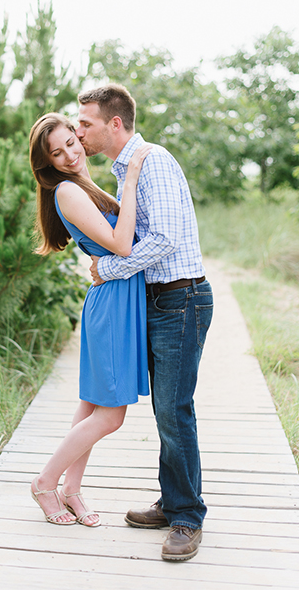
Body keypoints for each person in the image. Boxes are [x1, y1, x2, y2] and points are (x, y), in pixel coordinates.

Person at [76, 83, 213, 561]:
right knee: (166, 410)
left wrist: (107, 270)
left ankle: (186, 518)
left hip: (181, 300)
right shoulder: (124, 170)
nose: (79, 130)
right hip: (156, 302)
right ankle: (173, 499)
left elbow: (166, 238)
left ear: (115, 123)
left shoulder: (151, 160)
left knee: (175, 411)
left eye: (86, 123)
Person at [28, 113, 151, 529]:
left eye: (70, 143)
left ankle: (72, 489)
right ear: (46, 162)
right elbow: (121, 244)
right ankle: (45, 482)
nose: (68, 155)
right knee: (111, 415)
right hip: (112, 307)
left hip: (118, 300)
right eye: (56, 153)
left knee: (91, 407)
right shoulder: (66, 191)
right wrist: (131, 181)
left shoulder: (85, 185)